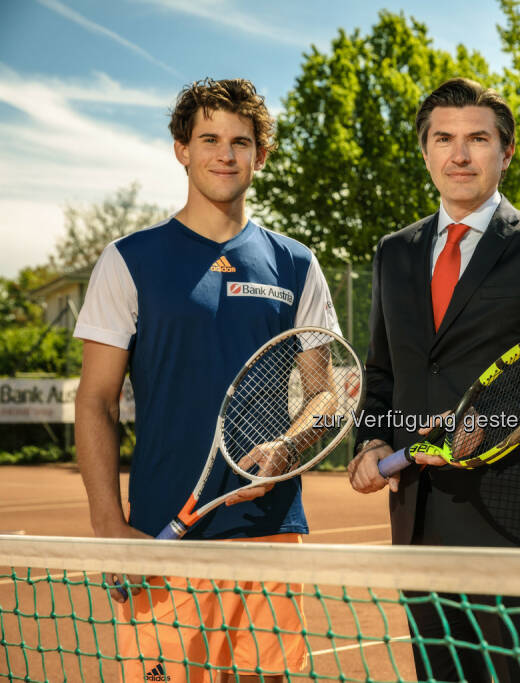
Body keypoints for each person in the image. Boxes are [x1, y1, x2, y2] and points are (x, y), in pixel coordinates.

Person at [74, 78, 338, 682]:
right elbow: (96, 401)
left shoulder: (296, 263)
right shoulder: (129, 259)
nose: (226, 154)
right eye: (210, 138)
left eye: (241, 142)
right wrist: (111, 529)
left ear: (260, 155)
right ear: (181, 149)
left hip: (267, 531)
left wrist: (288, 446)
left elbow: (323, 391)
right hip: (158, 534)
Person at [347, 77, 520, 682]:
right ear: (426, 151)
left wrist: (484, 428)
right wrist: (374, 440)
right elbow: (384, 369)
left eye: (477, 139)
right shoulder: (393, 252)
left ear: (506, 151)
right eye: (444, 138)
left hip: (511, 519)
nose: (459, 155)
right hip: (418, 518)